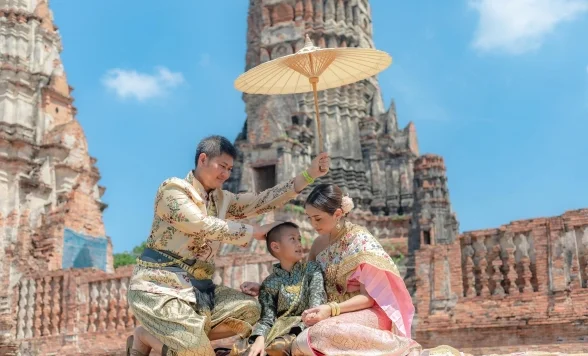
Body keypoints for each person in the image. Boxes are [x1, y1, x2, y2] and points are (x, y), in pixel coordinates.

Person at [125, 135, 330, 356]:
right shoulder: (173, 190)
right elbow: (200, 224)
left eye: (231, 169)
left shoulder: (222, 200)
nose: (226, 174)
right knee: (199, 353)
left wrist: (310, 175)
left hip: (199, 291)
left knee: (253, 311)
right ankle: (147, 337)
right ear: (203, 159)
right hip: (159, 287)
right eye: (222, 166)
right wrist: (253, 232)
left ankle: (172, 339)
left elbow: (263, 200)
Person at [241, 183, 464, 356]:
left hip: (367, 314)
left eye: (318, 218)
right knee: (288, 333)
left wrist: (331, 309)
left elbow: (369, 299)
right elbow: (303, 280)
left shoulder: (360, 241)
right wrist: (265, 288)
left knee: (317, 334)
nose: (313, 225)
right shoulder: (319, 244)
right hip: (325, 315)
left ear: (338, 214)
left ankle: (410, 351)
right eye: (310, 218)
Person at [232, 222, 326, 356]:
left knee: (277, 347)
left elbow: (316, 302)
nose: (299, 243)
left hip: (303, 326)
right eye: (292, 239)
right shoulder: (269, 283)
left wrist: (308, 322)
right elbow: (267, 318)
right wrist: (260, 339)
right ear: (276, 246)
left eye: (299, 239)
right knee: (239, 349)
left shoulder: (311, 270)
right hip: (277, 329)